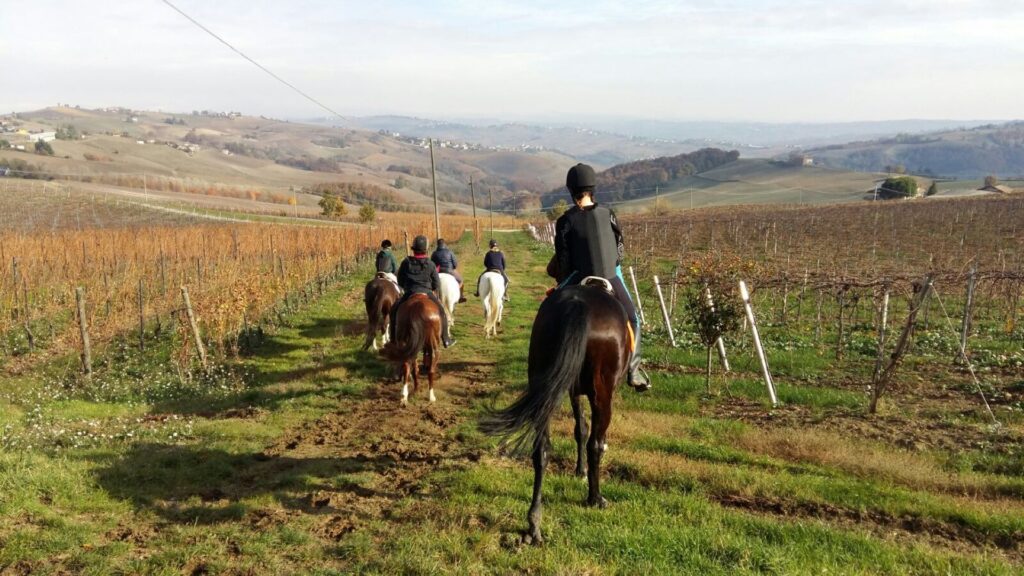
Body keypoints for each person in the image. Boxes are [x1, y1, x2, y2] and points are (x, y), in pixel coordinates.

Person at [553, 163, 650, 391]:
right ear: (592, 188)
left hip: (578, 276)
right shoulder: (609, 214)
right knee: (633, 318)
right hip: (610, 275)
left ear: (571, 190)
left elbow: (563, 260)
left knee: (550, 310)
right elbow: (620, 250)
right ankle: (634, 371)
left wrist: (564, 281)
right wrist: (613, 265)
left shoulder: (565, 221)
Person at [389, 235, 454, 348]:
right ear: (426, 250)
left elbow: (400, 279)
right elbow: (436, 284)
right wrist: (432, 289)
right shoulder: (430, 264)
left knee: (394, 310)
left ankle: (393, 339)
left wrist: (406, 287)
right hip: (427, 293)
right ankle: (446, 339)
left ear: (413, 249)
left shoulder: (406, 262)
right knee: (442, 311)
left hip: (410, 292)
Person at [431, 238, 466, 303]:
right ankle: (461, 296)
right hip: (449, 270)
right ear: (444, 244)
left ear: (437, 245)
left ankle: (431, 296)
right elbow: (455, 264)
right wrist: (453, 267)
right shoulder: (450, 252)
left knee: (430, 283)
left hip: (438, 271)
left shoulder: (434, 253)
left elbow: (432, 265)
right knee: (461, 280)